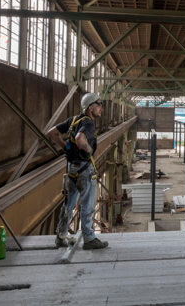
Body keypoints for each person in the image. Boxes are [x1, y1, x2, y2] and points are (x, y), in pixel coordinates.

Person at [47, 92, 108, 250]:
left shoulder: (73, 120)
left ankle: (60, 236)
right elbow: (81, 138)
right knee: (88, 204)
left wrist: (66, 147)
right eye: (99, 104)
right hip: (84, 170)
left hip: (71, 169)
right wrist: (87, 150)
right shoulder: (88, 123)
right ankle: (89, 238)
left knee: (69, 204)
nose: (101, 108)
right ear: (90, 107)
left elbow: (52, 133)